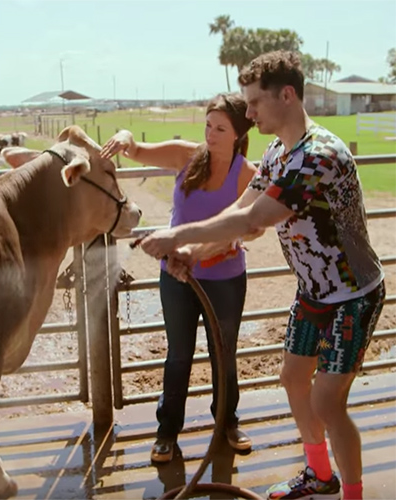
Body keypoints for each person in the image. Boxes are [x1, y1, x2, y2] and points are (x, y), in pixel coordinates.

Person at [139, 51, 385, 500]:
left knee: (327, 402)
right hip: (313, 291)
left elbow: (258, 216)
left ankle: (353, 494)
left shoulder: (318, 156)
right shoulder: (277, 151)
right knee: (293, 380)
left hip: (353, 295)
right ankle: (318, 475)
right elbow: (240, 216)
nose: (247, 114)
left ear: (286, 96)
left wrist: (175, 236)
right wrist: (192, 249)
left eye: (254, 103)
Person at [100, 92, 258, 462]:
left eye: (220, 128)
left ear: (238, 134)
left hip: (225, 278)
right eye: (208, 125)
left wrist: (217, 248)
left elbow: (251, 228)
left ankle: (227, 422)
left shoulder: (246, 175)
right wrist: (125, 137)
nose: (211, 134)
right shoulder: (186, 156)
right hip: (176, 277)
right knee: (178, 354)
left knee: (225, 353)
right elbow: (137, 149)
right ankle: (167, 431)